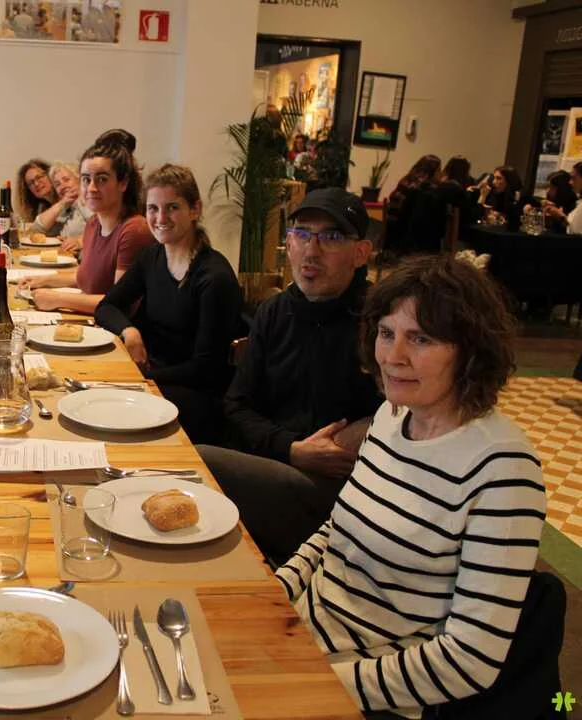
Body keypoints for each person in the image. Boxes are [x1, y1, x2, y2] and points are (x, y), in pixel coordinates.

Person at [276, 255, 559, 719]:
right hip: (300, 637)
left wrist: (319, 682)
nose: (393, 356)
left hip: (369, 689)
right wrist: (274, 594)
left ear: (470, 351)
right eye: (387, 333)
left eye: (421, 339)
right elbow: (335, 533)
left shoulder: (503, 469)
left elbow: (470, 661)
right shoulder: (392, 417)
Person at [195, 187, 383, 566]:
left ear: (361, 253)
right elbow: (236, 404)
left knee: (199, 464)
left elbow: (408, 412)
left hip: (344, 491)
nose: (312, 251)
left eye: (331, 237)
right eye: (301, 234)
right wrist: (290, 448)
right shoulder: (275, 312)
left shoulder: (381, 321)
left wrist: (363, 429)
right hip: (278, 464)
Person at [95, 164, 241, 443]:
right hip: (152, 378)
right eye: (153, 208)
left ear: (195, 209)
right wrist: (130, 331)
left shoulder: (214, 277)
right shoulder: (152, 257)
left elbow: (205, 369)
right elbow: (106, 307)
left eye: (172, 207)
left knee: (103, 409)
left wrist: (142, 377)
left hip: (194, 397)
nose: (160, 218)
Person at [24, 142, 152, 314]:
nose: (91, 188)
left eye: (102, 179)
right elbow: (85, 278)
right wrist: (43, 281)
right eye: (86, 179)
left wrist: (57, 299)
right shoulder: (93, 223)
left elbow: (119, 303)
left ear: (123, 183)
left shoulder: (134, 230)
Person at [32, 161, 93, 250]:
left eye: (66, 180)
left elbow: (105, 230)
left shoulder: (89, 200)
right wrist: (62, 204)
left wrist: (80, 241)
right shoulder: (67, 207)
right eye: (57, 184)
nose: (63, 186)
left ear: (79, 179)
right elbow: (37, 229)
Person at [475, 165, 524, 229]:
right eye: (494, 178)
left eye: (498, 178)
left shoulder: (518, 196)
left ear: (509, 181)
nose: (493, 182)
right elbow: (478, 215)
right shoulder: (490, 191)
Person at [14, 158, 58, 228]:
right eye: (31, 183)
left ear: (50, 174)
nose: (36, 184)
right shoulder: (41, 208)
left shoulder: (66, 201)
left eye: (39, 177)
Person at [532, 169, 577, 234]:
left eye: (552, 187)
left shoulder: (574, 206)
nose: (548, 191)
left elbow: (571, 230)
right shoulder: (557, 203)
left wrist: (559, 216)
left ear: (562, 189)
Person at [544, 161, 582, 234]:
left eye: (574, 178)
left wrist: (560, 216)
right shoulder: (579, 203)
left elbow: (574, 232)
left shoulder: (573, 205)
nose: (570, 182)